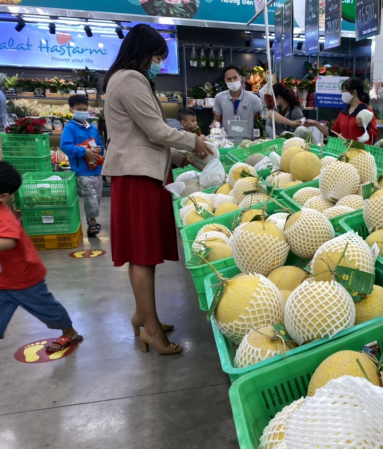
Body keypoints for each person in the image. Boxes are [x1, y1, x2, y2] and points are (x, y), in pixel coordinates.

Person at [102, 24, 209, 355]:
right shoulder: (131, 79)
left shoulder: (122, 79)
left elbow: (145, 136)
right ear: (144, 52)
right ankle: (150, 330)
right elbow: (156, 130)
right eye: (158, 57)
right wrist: (195, 142)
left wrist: (181, 157)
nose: (160, 63)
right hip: (138, 178)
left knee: (142, 254)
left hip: (142, 173)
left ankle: (143, 315)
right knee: (143, 256)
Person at [0, 162, 82, 352]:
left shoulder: (4, 217)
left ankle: (69, 332)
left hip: (25, 279)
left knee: (47, 309)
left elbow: (10, 241)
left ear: (3, 196)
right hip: (4, 281)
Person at [60, 95, 105, 237]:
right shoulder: (70, 128)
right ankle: (92, 222)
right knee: (90, 197)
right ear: (71, 110)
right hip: (82, 171)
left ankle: (92, 218)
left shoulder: (92, 128)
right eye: (79, 109)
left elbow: (100, 144)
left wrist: (99, 149)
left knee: (97, 197)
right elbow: (65, 146)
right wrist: (84, 151)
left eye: (85, 109)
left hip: (97, 169)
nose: (82, 111)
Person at [304, 77, 379, 144]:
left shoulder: (366, 111)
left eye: (344, 91)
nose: (343, 94)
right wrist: (315, 124)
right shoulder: (343, 112)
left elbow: (374, 135)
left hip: (361, 155)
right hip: (346, 153)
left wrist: (363, 127)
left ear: (354, 93)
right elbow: (332, 133)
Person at [213, 65, 263, 139]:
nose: (232, 81)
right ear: (225, 81)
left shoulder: (253, 99)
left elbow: (267, 113)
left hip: (247, 142)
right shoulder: (219, 97)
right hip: (227, 142)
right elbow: (216, 120)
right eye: (229, 79)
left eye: (235, 77)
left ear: (240, 78)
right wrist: (215, 127)